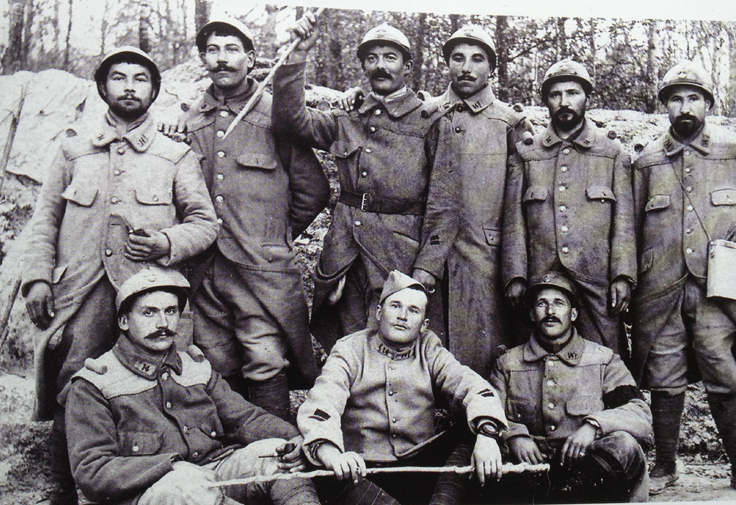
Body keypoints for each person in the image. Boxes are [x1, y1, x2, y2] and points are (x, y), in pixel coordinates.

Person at [22, 47, 218, 505]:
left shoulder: (174, 155)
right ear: (102, 88)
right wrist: (37, 278)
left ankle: (146, 479)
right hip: (83, 292)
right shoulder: (73, 149)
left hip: (147, 293)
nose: (129, 87)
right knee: (74, 381)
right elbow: (45, 221)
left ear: (154, 91)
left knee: (153, 380)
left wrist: (166, 243)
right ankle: (64, 486)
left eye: (140, 79)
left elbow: (205, 223)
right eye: (118, 78)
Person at [632, 60, 736, 494]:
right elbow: (627, 226)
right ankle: (665, 466)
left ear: (707, 104)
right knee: (664, 378)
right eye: (676, 99)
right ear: (665, 105)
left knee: (723, 374)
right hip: (659, 288)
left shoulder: (733, 150)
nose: (685, 107)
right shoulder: (645, 161)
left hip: (715, 291)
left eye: (694, 98)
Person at [64, 267, 320, 505]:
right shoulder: (95, 382)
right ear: (124, 321)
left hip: (215, 470)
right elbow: (92, 470)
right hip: (151, 488)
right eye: (149, 312)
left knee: (277, 459)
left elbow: (245, 418)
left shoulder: (195, 367)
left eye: (170, 311)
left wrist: (294, 439)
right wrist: (167, 465)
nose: (163, 323)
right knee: (187, 488)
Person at [182, 18, 328, 419]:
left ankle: (279, 459)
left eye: (231, 50)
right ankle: (233, 458)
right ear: (203, 59)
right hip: (206, 270)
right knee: (214, 360)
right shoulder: (193, 119)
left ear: (250, 58)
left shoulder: (274, 114)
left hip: (261, 270)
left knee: (265, 359)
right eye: (213, 50)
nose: (222, 59)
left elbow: (314, 190)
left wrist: (273, 235)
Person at [273, 14, 446, 352]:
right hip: (345, 249)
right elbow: (291, 121)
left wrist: (428, 266)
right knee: (347, 341)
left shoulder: (430, 122)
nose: (380, 66)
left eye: (390, 57)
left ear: (408, 67)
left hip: (399, 253)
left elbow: (445, 203)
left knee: (397, 344)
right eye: (372, 58)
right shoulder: (349, 117)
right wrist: (296, 58)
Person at [297, 270, 508, 504]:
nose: (402, 316)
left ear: (424, 324)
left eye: (413, 310)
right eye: (395, 306)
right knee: (325, 469)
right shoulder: (350, 350)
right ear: (379, 312)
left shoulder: (429, 349)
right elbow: (324, 401)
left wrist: (487, 435)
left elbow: (471, 386)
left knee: (471, 433)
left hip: (421, 465)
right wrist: (331, 453)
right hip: (362, 469)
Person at [412, 25, 530, 377]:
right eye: (458, 58)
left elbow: (517, 207)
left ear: (491, 68)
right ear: (446, 63)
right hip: (426, 257)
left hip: (484, 262)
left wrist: (515, 270)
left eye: (477, 59)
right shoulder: (424, 114)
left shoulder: (509, 123)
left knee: (481, 360)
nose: (466, 67)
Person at [502, 59, 636, 359]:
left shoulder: (611, 153)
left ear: (587, 97)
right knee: (535, 360)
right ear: (546, 100)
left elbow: (624, 223)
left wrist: (623, 276)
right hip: (540, 281)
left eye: (573, 93)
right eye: (555, 94)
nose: (564, 102)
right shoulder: (527, 153)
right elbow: (514, 223)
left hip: (596, 280)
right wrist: (516, 277)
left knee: (606, 359)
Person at [488, 271, 652, 503]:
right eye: (541, 304)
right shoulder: (509, 363)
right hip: (528, 470)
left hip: (587, 469)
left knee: (624, 445)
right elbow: (488, 413)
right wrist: (514, 436)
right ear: (532, 315)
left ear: (573, 313)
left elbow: (639, 414)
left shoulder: (602, 360)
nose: (550, 312)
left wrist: (593, 427)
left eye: (559, 303)